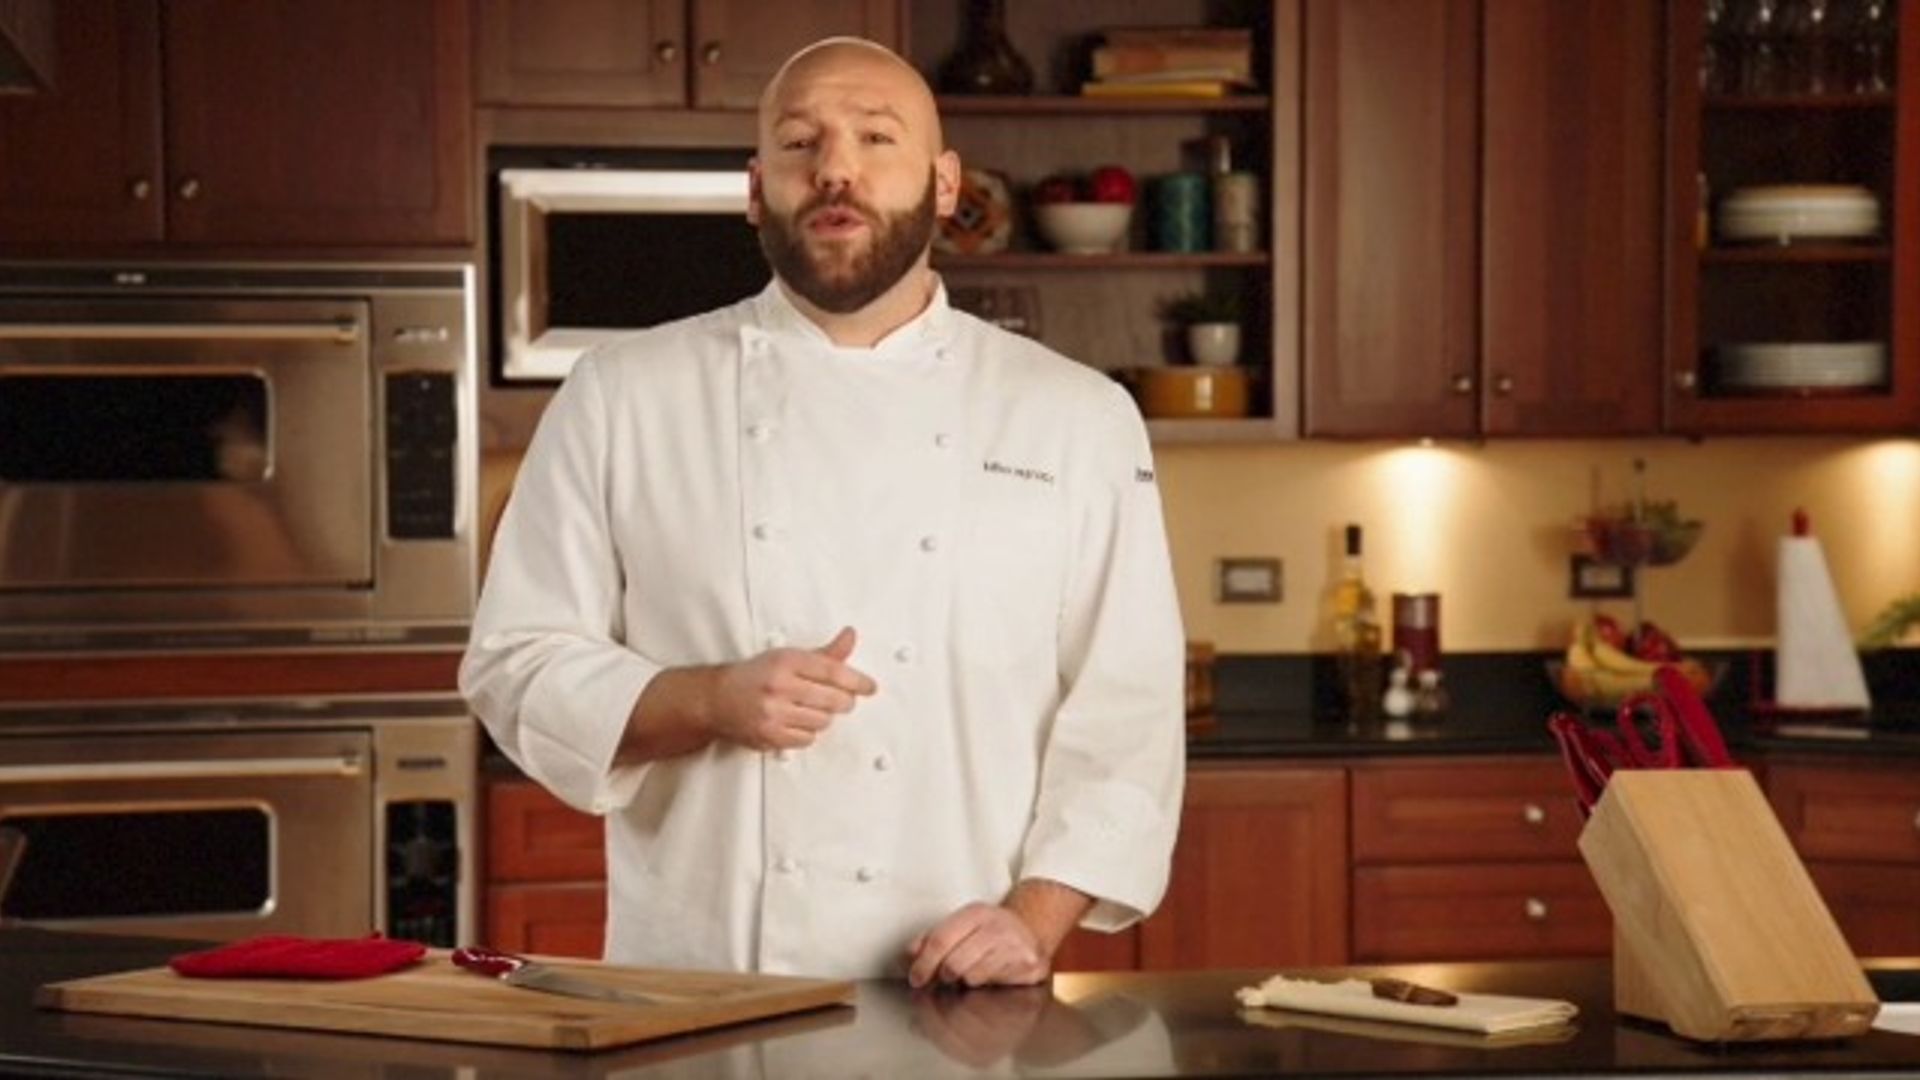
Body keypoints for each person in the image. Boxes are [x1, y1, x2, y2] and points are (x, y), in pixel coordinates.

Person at [461, 36, 1185, 988]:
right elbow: (516, 662)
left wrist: (1031, 924)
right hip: (697, 991)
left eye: (876, 137)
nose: (836, 169)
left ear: (945, 184)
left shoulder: (1075, 416)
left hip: (963, 992)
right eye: (800, 144)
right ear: (756, 188)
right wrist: (707, 699)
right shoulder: (622, 394)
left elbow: (1128, 713)